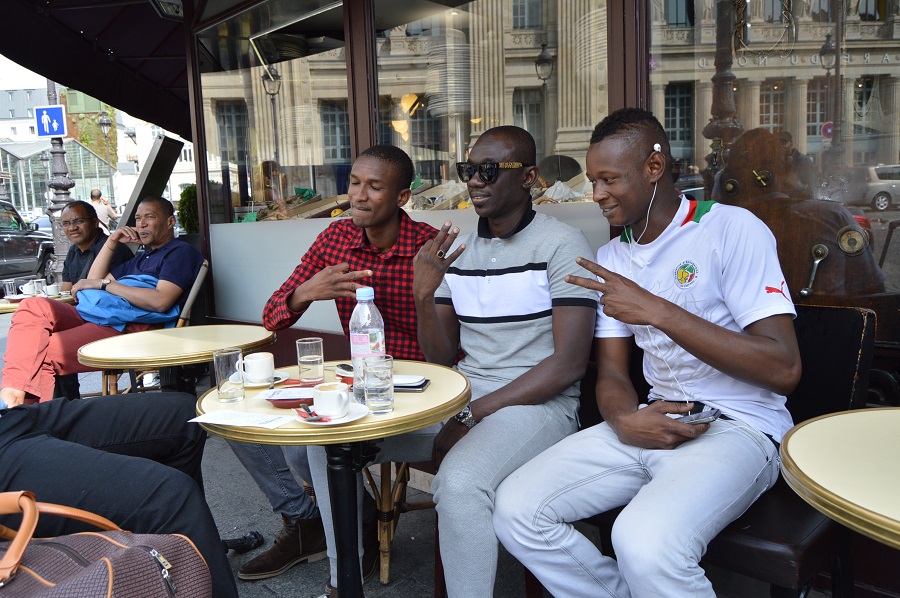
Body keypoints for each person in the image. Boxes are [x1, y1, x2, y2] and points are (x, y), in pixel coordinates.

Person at [493, 108, 802, 597]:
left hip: (740, 426)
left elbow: (784, 368)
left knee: (641, 542)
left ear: (654, 168)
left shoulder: (730, 229)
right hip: (652, 418)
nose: (597, 194)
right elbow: (613, 375)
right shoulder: (614, 257)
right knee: (516, 508)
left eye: (609, 179)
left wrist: (657, 310)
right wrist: (622, 419)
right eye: (593, 180)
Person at [306, 125, 597, 597]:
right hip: (465, 393)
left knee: (459, 484)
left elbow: (567, 366)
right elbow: (441, 355)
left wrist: (468, 414)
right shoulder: (459, 252)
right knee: (330, 441)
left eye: (488, 170)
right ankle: (345, 580)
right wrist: (424, 294)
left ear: (529, 178)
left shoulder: (561, 245)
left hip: (539, 406)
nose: (475, 181)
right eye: (468, 171)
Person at [229, 145, 438, 582]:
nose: (359, 196)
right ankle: (331, 523)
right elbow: (272, 316)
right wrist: (306, 292)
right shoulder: (335, 238)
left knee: (318, 446)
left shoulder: (427, 248)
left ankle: (345, 554)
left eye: (374, 187)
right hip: (358, 380)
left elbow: (450, 347)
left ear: (401, 197)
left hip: (421, 389)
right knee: (240, 414)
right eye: (354, 183)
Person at [0, 392, 238, 598]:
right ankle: (187, 540)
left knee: (187, 414)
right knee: (171, 496)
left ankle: (185, 558)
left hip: (13, 418)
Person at [0, 196, 203, 404]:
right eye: (138, 218)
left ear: (170, 221)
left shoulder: (179, 252)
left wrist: (106, 285)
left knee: (43, 352)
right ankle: (13, 392)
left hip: (130, 324)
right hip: (102, 313)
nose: (141, 224)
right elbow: (92, 280)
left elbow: (161, 301)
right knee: (32, 306)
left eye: (149, 217)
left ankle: (25, 414)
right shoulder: (143, 257)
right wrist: (112, 241)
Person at [715, 127, 885, 298]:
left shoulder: (720, 229)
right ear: (789, 166)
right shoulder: (831, 216)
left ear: (729, 179)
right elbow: (872, 290)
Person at [53, 200, 134, 399]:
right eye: (65, 223)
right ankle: (62, 402)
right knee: (41, 332)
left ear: (96, 222)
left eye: (78, 221)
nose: (72, 227)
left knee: (50, 346)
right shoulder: (73, 251)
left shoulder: (113, 250)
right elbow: (66, 292)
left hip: (106, 319)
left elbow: (104, 294)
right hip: (82, 314)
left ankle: (64, 404)